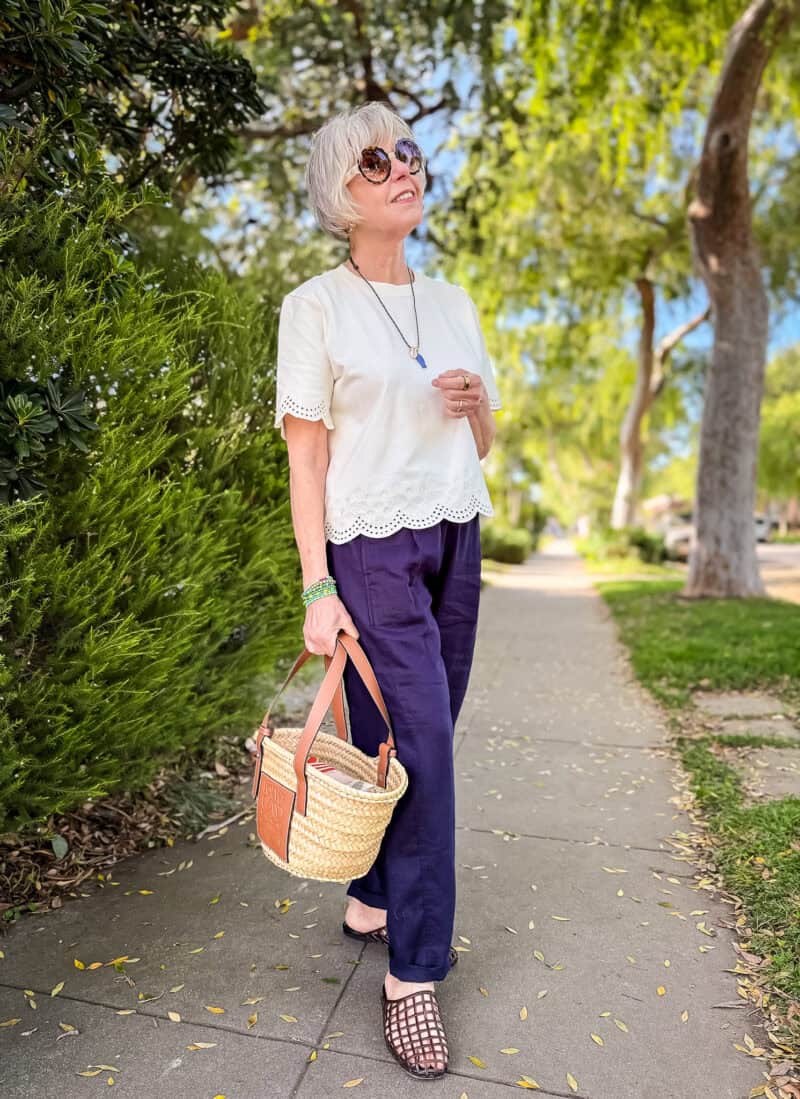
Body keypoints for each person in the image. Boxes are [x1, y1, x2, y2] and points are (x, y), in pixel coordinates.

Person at [274, 100, 502, 1080]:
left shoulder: (452, 300)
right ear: (339, 191)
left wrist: (474, 407)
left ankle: (368, 895)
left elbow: (481, 440)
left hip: (457, 529)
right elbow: (306, 462)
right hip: (366, 547)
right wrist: (316, 586)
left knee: (407, 736)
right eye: (375, 159)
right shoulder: (313, 305)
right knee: (430, 756)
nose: (402, 166)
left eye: (407, 151)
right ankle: (412, 972)